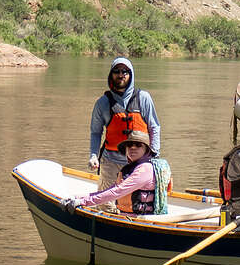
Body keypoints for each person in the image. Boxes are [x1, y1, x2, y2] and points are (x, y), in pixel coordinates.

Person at [88, 57, 161, 188]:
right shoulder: (102, 103)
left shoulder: (143, 98)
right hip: (110, 162)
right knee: (107, 204)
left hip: (139, 163)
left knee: (137, 203)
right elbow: (95, 132)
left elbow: (154, 127)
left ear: (130, 74)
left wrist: (154, 154)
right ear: (111, 75)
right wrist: (93, 156)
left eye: (125, 71)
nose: (121, 74)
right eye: (117, 71)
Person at [64, 129, 172, 215]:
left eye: (138, 145)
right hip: (126, 216)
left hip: (141, 220)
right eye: (129, 145)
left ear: (146, 150)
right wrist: (77, 197)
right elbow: (109, 191)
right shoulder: (130, 169)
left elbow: (117, 192)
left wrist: (84, 203)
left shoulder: (145, 169)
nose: (133, 148)